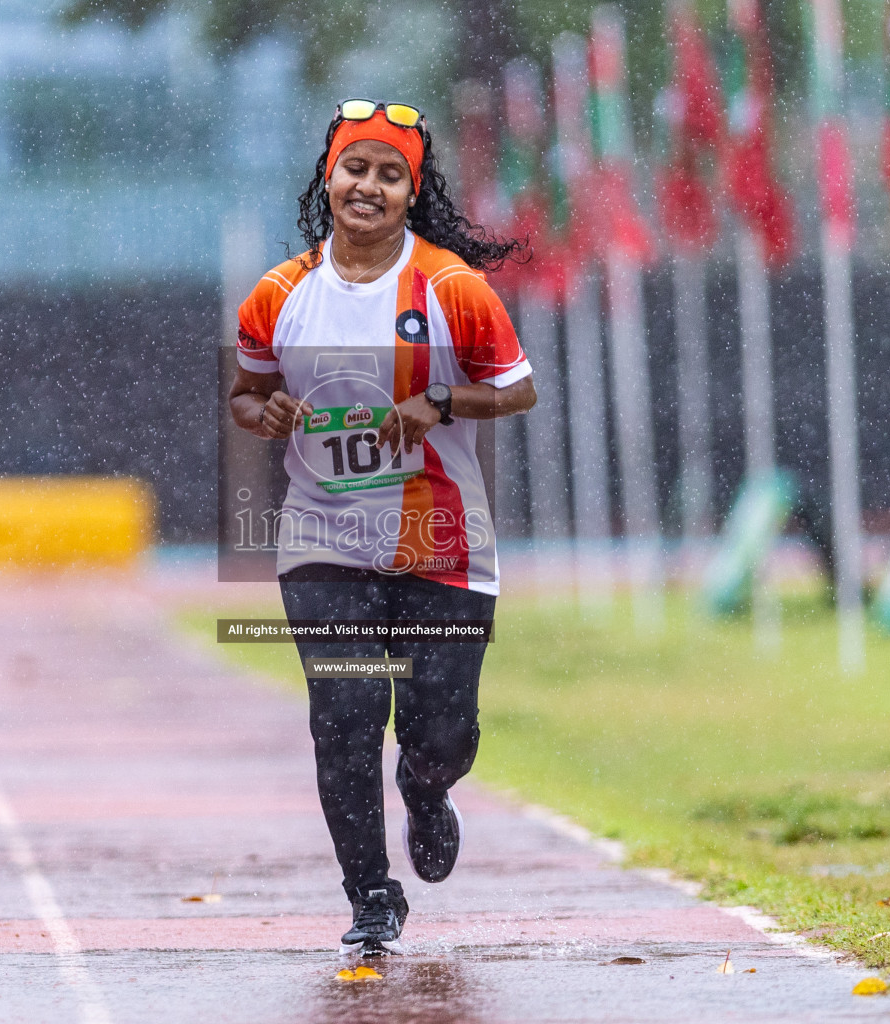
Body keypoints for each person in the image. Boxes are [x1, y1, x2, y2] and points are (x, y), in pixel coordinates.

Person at [227, 99, 536, 956]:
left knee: (443, 733)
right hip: (323, 542)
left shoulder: (451, 289)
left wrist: (440, 402)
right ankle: (369, 895)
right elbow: (246, 394)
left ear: (411, 191)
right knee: (346, 711)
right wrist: (267, 411)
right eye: (355, 167)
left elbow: (517, 389)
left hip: (441, 542)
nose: (368, 186)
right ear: (329, 177)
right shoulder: (279, 294)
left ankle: (428, 788)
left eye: (388, 173)